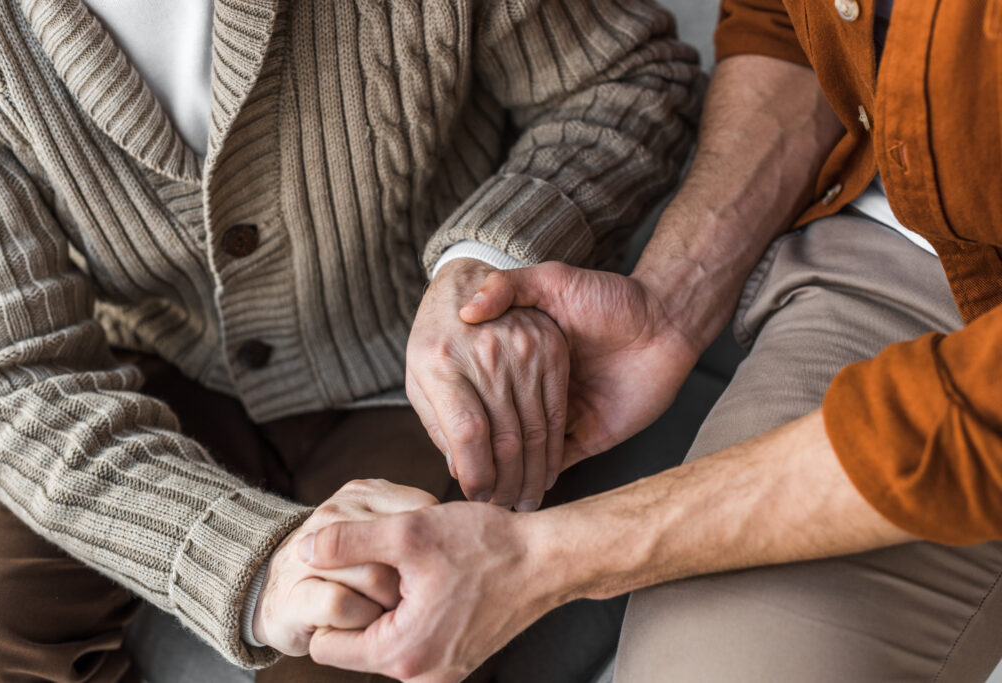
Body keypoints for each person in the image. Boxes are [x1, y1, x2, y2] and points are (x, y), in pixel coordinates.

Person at [0, 0, 704, 680]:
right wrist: (251, 564)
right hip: (157, 369)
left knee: (374, 631)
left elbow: (630, 81)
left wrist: (489, 262)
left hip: (422, 371)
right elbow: (10, 375)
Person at [296, 1, 1002, 681]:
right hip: (893, 241)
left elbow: (979, 414)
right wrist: (674, 297)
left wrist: (551, 556)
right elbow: (790, 23)